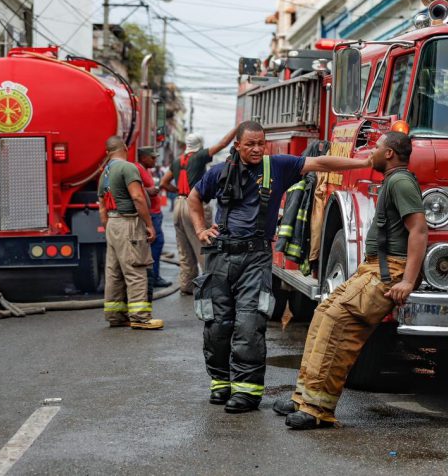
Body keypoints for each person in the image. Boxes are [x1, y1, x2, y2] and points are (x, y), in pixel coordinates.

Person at [188, 121, 371, 413]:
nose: (258, 149)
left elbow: (321, 161)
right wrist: (200, 230)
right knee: (216, 325)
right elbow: (194, 198)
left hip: (255, 258)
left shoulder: (279, 167)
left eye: (261, 143)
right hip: (220, 257)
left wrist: (364, 161)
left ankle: (247, 392)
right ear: (238, 146)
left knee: (249, 324)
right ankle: (221, 382)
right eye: (251, 144)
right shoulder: (219, 173)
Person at [274, 131, 428, 429]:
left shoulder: (400, 182)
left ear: (389, 154)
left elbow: (419, 230)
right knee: (324, 313)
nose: (372, 153)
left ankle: (318, 408)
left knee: (339, 324)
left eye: (378, 148)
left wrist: (407, 281)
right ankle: (303, 397)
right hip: (375, 268)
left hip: (389, 271)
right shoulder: (393, 180)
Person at [97, 136, 164, 330]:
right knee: (136, 268)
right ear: (125, 147)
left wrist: (110, 226)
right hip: (128, 222)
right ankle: (140, 317)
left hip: (112, 223)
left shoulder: (105, 172)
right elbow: (137, 197)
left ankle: (116, 316)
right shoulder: (127, 168)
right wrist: (149, 224)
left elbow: (102, 206)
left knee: (114, 271)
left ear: (107, 152)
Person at [160, 130, 236, 297]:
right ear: (199, 144)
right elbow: (222, 144)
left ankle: (187, 285)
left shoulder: (177, 161)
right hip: (194, 204)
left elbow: (164, 182)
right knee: (204, 245)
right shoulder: (199, 156)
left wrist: (179, 192)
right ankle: (211, 286)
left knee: (184, 248)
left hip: (179, 205)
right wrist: (238, 128)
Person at [135, 147, 171, 288]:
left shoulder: (146, 170)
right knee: (156, 243)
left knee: (156, 244)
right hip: (151, 214)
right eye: (152, 158)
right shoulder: (137, 169)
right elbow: (134, 189)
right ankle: (153, 277)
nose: (155, 160)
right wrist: (147, 191)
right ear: (144, 158)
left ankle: (152, 275)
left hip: (155, 213)